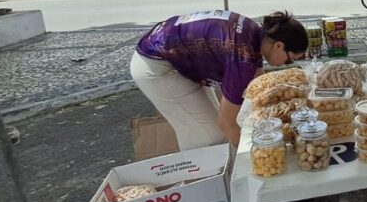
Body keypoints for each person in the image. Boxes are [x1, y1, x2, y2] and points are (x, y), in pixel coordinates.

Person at [130, 10, 309, 150]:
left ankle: (214, 172)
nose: (286, 64)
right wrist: (256, 153)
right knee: (207, 135)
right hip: (156, 64)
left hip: (168, 53)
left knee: (216, 125)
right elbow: (226, 122)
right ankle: (202, 179)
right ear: (278, 45)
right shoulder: (242, 58)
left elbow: (258, 83)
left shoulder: (254, 33)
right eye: (289, 60)